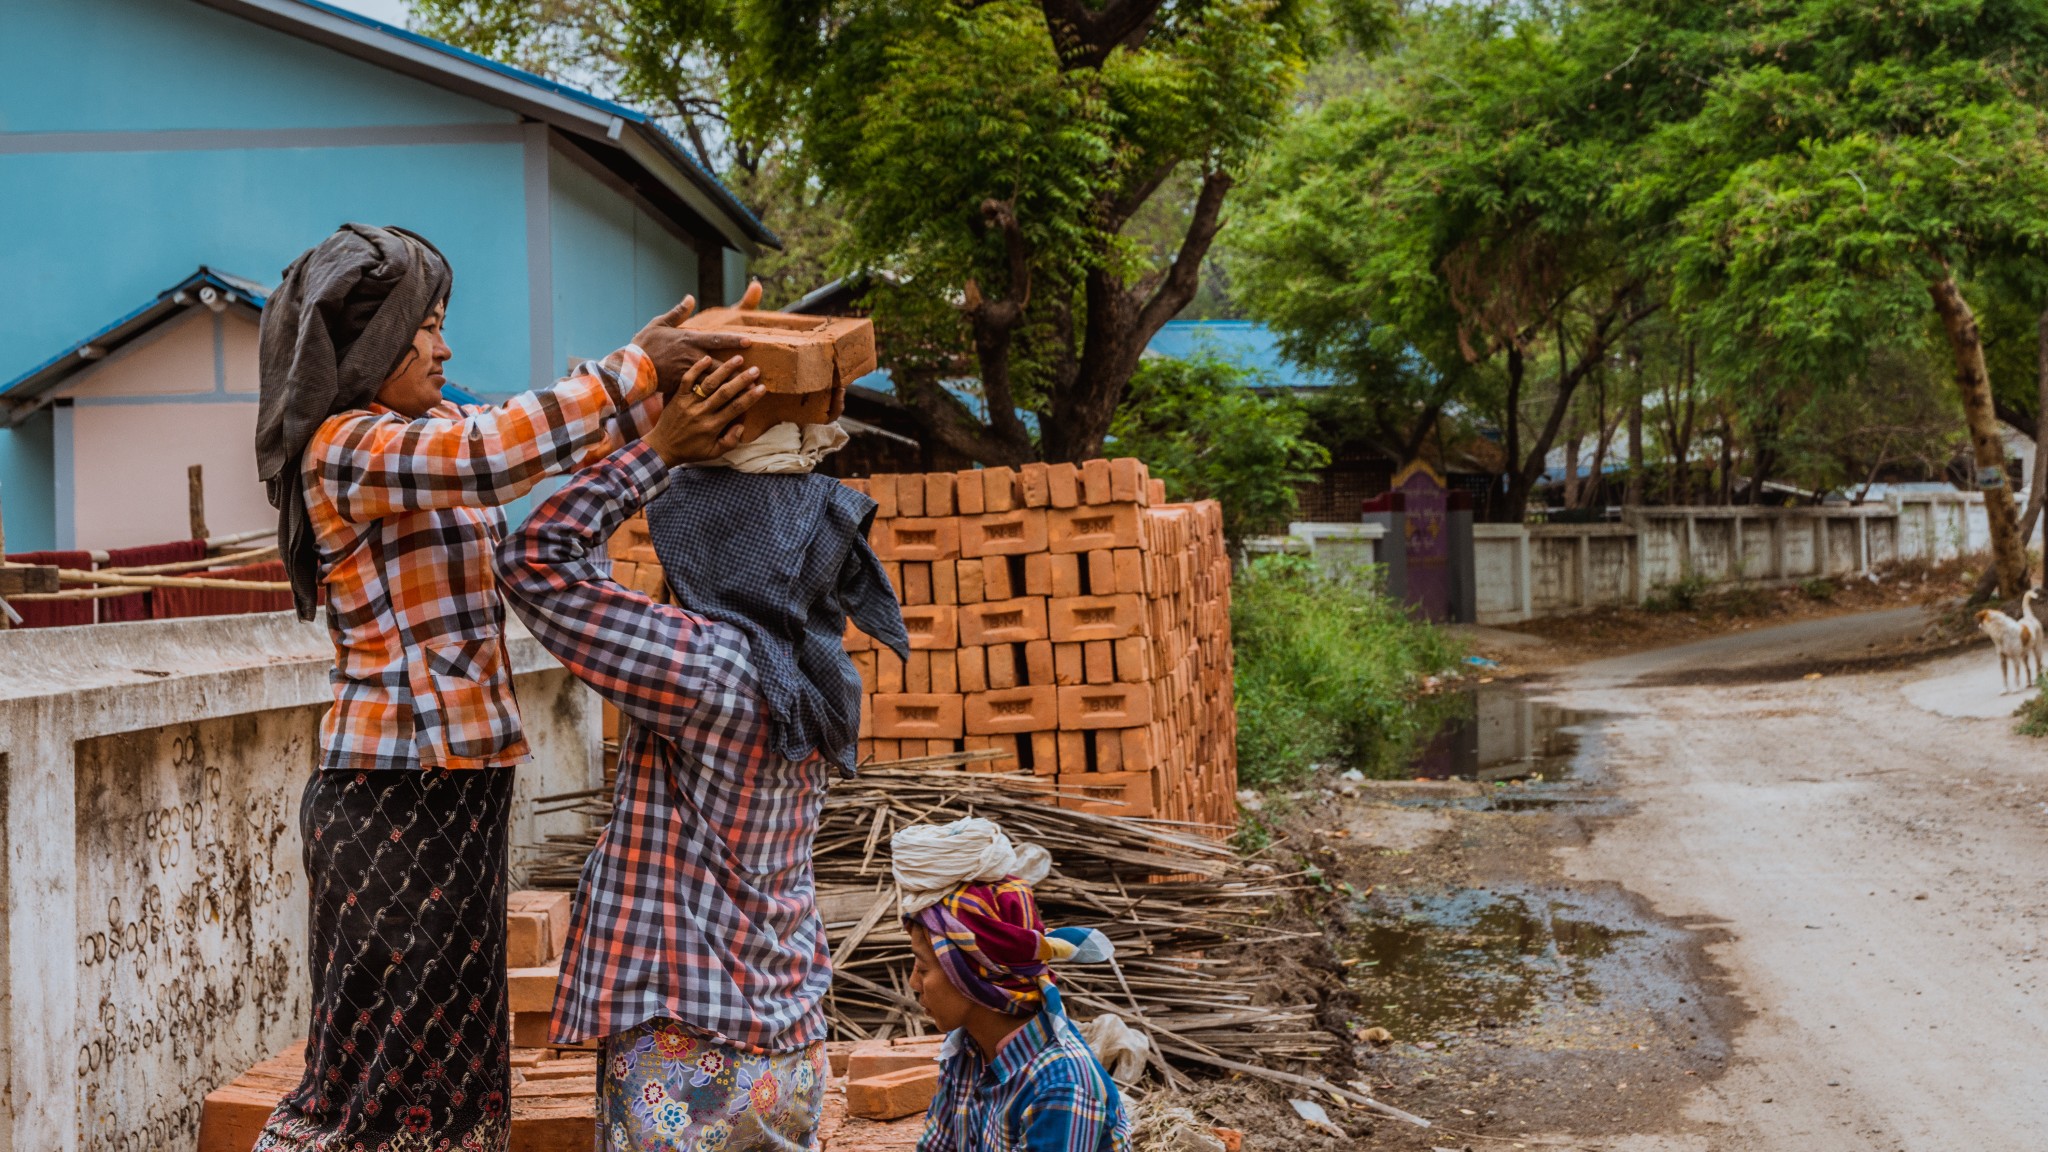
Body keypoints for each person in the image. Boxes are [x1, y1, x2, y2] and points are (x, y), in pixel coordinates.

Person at [250, 222, 766, 1152]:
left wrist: (672, 388)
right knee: (377, 1077)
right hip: (387, 795)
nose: (445, 348)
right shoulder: (345, 449)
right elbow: (493, 455)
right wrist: (631, 372)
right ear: (375, 339)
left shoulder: (430, 430)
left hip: (461, 788)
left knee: (454, 1067)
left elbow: (533, 443)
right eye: (428, 327)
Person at [491, 364, 908, 1152]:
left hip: (692, 1054)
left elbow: (536, 559)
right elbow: (599, 591)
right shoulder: (819, 669)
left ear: (723, 550)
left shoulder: (708, 667)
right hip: (789, 1045)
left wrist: (652, 449)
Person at [892, 819, 1133, 1152]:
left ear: (973, 976)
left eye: (921, 967)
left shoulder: (1060, 1088)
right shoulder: (967, 1052)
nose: (914, 983)